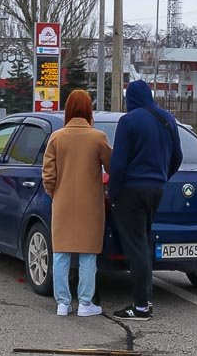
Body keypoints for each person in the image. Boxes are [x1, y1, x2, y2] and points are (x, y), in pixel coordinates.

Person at [106, 78, 183, 321]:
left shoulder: (128, 121)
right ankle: (146, 300)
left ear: (131, 99)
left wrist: (113, 192)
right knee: (145, 241)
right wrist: (162, 177)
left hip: (131, 190)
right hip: (156, 189)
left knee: (136, 246)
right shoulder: (167, 119)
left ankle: (140, 307)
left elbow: (118, 164)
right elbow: (177, 156)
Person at [42, 89, 112, 317]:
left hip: (62, 202)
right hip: (90, 204)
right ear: (89, 110)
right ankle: (85, 303)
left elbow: (48, 175)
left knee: (61, 253)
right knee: (88, 254)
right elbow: (112, 167)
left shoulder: (57, 137)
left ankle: (62, 303)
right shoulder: (98, 138)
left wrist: (56, 194)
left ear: (69, 110)